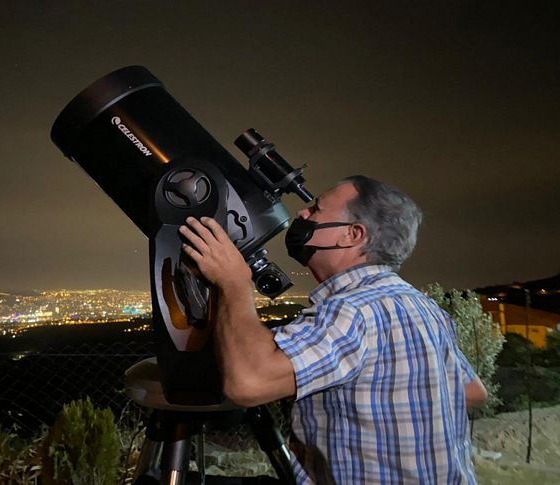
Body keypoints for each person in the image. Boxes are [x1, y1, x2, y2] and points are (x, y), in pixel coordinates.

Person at [179, 175, 487, 484]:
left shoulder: (351, 310)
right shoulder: (423, 306)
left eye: (316, 209)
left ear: (352, 235)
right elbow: (472, 391)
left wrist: (233, 281)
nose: (302, 214)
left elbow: (248, 384)